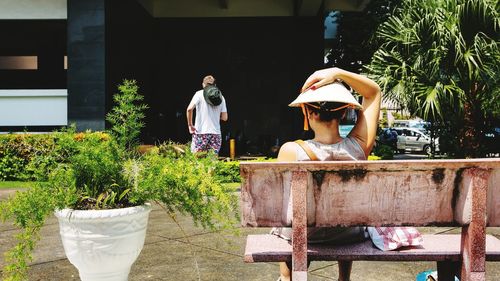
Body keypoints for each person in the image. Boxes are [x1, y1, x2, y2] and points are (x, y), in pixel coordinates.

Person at [273, 67, 381, 281]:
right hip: (348, 234)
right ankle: (344, 278)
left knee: (294, 221)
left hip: (303, 235)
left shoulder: (290, 151)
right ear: (343, 112)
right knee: (343, 212)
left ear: (308, 113)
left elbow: (278, 200)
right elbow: (374, 92)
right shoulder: (359, 148)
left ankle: (288, 278)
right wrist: (337, 72)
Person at [186, 75, 228, 154]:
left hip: (201, 133)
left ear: (203, 85)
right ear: (215, 85)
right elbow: (224, 118)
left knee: (197, 160)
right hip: (216, 134)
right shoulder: (221, 97)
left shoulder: (199, 94)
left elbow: (189, 109)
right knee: (212, 161)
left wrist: (190, 125)